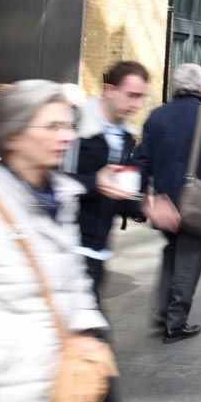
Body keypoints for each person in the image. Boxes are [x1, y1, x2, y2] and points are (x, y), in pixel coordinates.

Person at [0, 80, 114, 402]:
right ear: (14, 135)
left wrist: (87, 331)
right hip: (10, 392)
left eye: (68, 125)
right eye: (52, 126)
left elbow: (73, 279)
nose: (68, 136)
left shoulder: (61, 196)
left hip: (61, 383)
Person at [132, 63, 201, 344]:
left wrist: (141, 200)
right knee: (189, 259)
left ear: (176, 86)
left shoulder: (157, 115)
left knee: (171, 252)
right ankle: (175, 323)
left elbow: (141, 161)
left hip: (164, 203)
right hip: (196, 201)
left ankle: (163, 311)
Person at [65, 60, 149, 300]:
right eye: (131, 95)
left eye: (141, 97)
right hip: (66, 249)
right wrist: (94, 183)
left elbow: (119, 194)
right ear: (109, 90)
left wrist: (146, 206)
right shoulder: (75, 124)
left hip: (97, 250)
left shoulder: (124, 136)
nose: (137, 105)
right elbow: (47, 181)